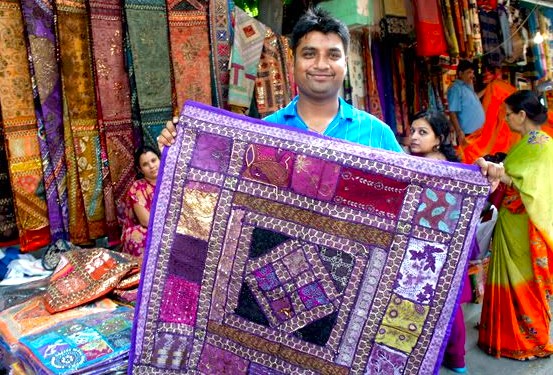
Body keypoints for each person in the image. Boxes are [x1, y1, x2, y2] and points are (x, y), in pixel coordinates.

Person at [478, 90, 553, 360]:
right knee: (511, 280)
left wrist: (500, 172)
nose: (506, 120)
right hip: (513, 223)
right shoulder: (527, 142)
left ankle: (531, 340)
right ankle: (508, 336)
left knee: (524, 284)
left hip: (525, 228)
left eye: (508, 114)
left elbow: (532, 187)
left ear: (522, 115)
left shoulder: (541, 145)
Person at [409, 111, 469, 373]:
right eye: (412, 130)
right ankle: (454, 359)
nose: (413, 137)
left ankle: (455, 359)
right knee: (445, 302)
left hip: (435, 246)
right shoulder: (435, 161)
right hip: (437, 243)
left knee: (443, 302)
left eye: (422, 132)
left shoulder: (433, 165)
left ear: (438, 139)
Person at [120, 146, 160, 257]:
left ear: (160, 159)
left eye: (153, 160)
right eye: (145, 164)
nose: (151, 166)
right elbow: (146, 221)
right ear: (140, 169)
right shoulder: (137, 187)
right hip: (152, 228)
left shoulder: (172, 181)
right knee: (135, 235)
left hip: (174, 226)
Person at [447, 59, 486, 146]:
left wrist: (488, 89)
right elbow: (452, 113)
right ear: (460, 74)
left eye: (472, 72)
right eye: (469, 72)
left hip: (478, 133)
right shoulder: (455, 89)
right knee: (470, 159)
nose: (472, 75)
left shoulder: (468, 86)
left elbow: (474, 99)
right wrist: (459, 132)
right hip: (468, 135)